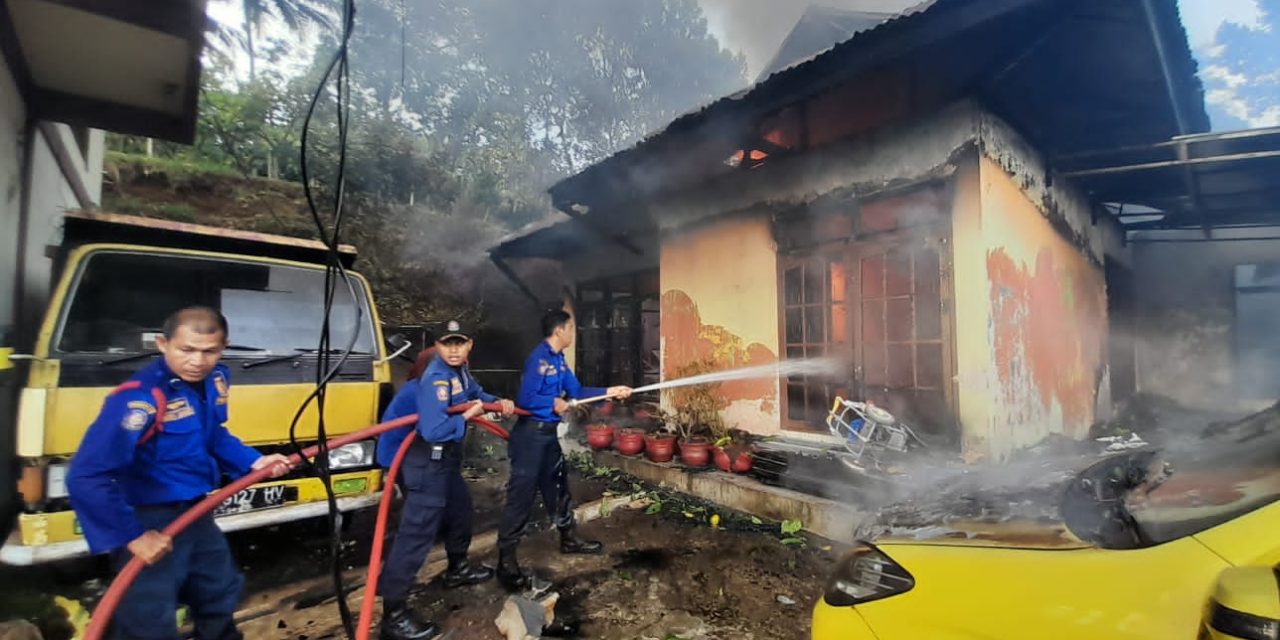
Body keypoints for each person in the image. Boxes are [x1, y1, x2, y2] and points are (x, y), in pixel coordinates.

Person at [66, 306, 292, 640]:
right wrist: (133, 537)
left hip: (195, 512)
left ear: (223, 346)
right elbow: (86, 475)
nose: (198, 361)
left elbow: (212, 433)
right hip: (147, 518)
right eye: (187, 350)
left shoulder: (216, 379)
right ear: (163, 344)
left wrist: (252, 461)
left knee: (219, 589)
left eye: (209, 351)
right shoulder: (140, 399)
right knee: (149, 615)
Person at [377, 320, 515, 640]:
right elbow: (434, 430)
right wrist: (468, 416)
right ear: (437, 346)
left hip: (440, 456)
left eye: (459, 343)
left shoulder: (460, 372)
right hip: (417, 456)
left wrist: (499, 402)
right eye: (446, 343)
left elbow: (476, 394)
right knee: (417, 532)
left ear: (469, 346)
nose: (453, 349)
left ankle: (458, 568)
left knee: (459, 510)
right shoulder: (435, 378)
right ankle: (393, 614)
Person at [495, 309, 632, 591]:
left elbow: (578, 390)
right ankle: (506, 561)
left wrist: (611, 390)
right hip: (530, 438)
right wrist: (552, 403)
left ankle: (568, 539)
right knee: (520, 498)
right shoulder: (539, 358)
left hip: (547, 438)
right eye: (571, 328)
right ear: (559, 330)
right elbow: (526, 398)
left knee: (558, 488)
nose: (573, 333)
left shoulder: (558, 360)